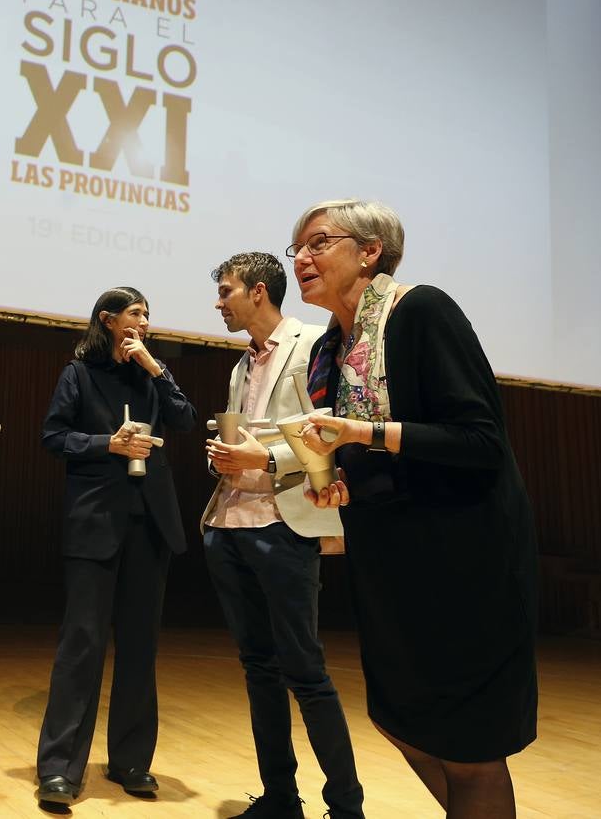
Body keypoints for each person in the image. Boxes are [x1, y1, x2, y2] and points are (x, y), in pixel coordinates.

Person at [290, 199, 538, 819]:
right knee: (400, 719)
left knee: (469, 747)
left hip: (461, 558)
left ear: (370, 251)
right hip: (390, 559)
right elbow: (368, 449)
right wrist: (339, 479)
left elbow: (480, 442)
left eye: (318, 243)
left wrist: (364, 437)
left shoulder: (420, 311)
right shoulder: (333, 348)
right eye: (296, 247)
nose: (301, 258)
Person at [201, 252, 363, 819]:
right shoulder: (241, 364)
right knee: (258, 668)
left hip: (285, 524)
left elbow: (331, 434)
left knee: (306, 672)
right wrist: (228, 458)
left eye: (226, 291)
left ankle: (346, 806)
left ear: (259, 292)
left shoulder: (314, 343)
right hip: (229, 525)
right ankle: (279, 799)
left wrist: (263, 458)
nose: (218, 302)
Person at [35, 286, 196, 808]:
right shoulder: (78, 373)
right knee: (81, 645)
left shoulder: (151, 375)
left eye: (148, 314)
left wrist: (156, 368)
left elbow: (186, 419)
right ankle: (59, 768)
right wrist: (109, 444)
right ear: (107, 320)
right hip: (95, 523)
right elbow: (53, 437)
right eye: (134, 313)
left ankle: (131, 762)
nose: (143, 322)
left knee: (139, 647)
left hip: (150, 525)